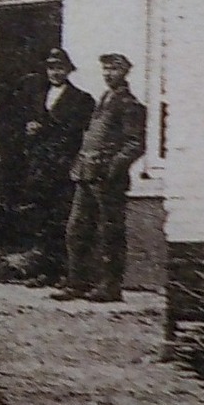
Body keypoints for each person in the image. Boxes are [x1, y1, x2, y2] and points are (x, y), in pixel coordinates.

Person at [53, 53, 147, 303]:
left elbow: (135, 144)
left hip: (107, 179)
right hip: (86, 173)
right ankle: (78, 282)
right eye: (105, 69)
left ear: (125, 72)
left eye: (114, 69)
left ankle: (110, 286)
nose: (108, 74)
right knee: (77, 229)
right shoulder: (104, 100)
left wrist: (112, 168)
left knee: (109, 232)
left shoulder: (129, 104)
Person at [11, 48, 95, 288]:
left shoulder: (82, 99)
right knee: (42, 220)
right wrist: (28, 131)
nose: (55, 72)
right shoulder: (37, 96)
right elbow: (23, 126)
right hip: (39, 168)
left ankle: (66, 273)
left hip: (63, 168)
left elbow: (75, 134)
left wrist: (44, 130)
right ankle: (46, 271)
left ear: (69, 70)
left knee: (64, 219)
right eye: (51, 68)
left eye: (60, 68)